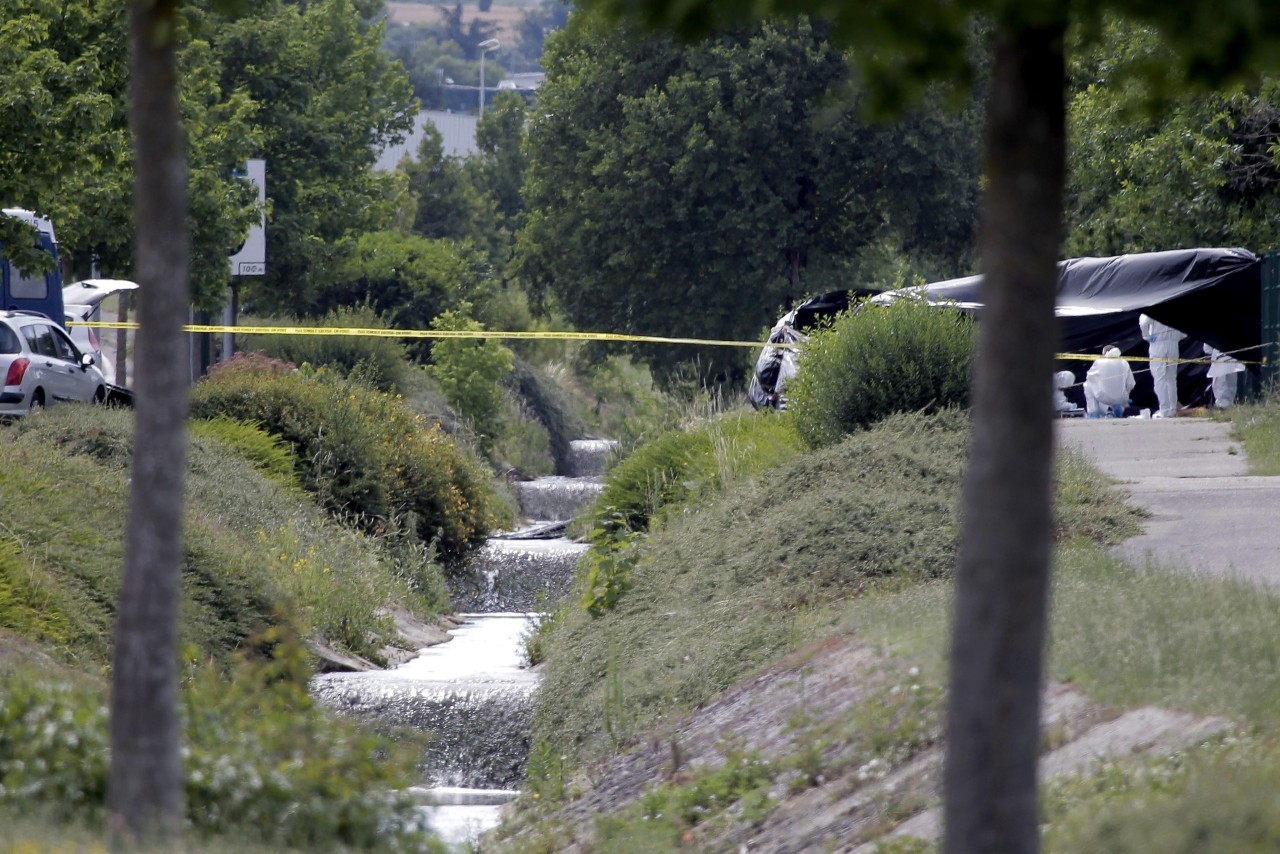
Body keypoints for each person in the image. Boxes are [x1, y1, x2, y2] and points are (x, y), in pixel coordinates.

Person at [1139, 313, 1186, 418]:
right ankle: (1172, 409)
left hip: (1158, 344)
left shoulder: (1155, 303)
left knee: (1160, 379)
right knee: (1171, 379)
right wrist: (1177, 337)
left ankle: (1164, 410)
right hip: (1173, 346)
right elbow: (1186, 330)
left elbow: (1143, 322)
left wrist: (1146, 336)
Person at [1083, 345, 1134, 418]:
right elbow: (1131, 384)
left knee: (1087, 385)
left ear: (1104, 353)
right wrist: (1124, 394)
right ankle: (1118, 407)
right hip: (1122, 398)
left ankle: (1093, 413)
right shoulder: (1124, 362)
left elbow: (1090, 377)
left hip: (1104, 398)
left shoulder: (1099, 361)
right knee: (1118, 391)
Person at [1204, 343, 1245, 408]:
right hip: (1225, 353)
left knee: (1224, 381)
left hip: (1224, 353)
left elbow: (1207, 348)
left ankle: (1225, 405)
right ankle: (1225, 405)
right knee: (1224, 381)